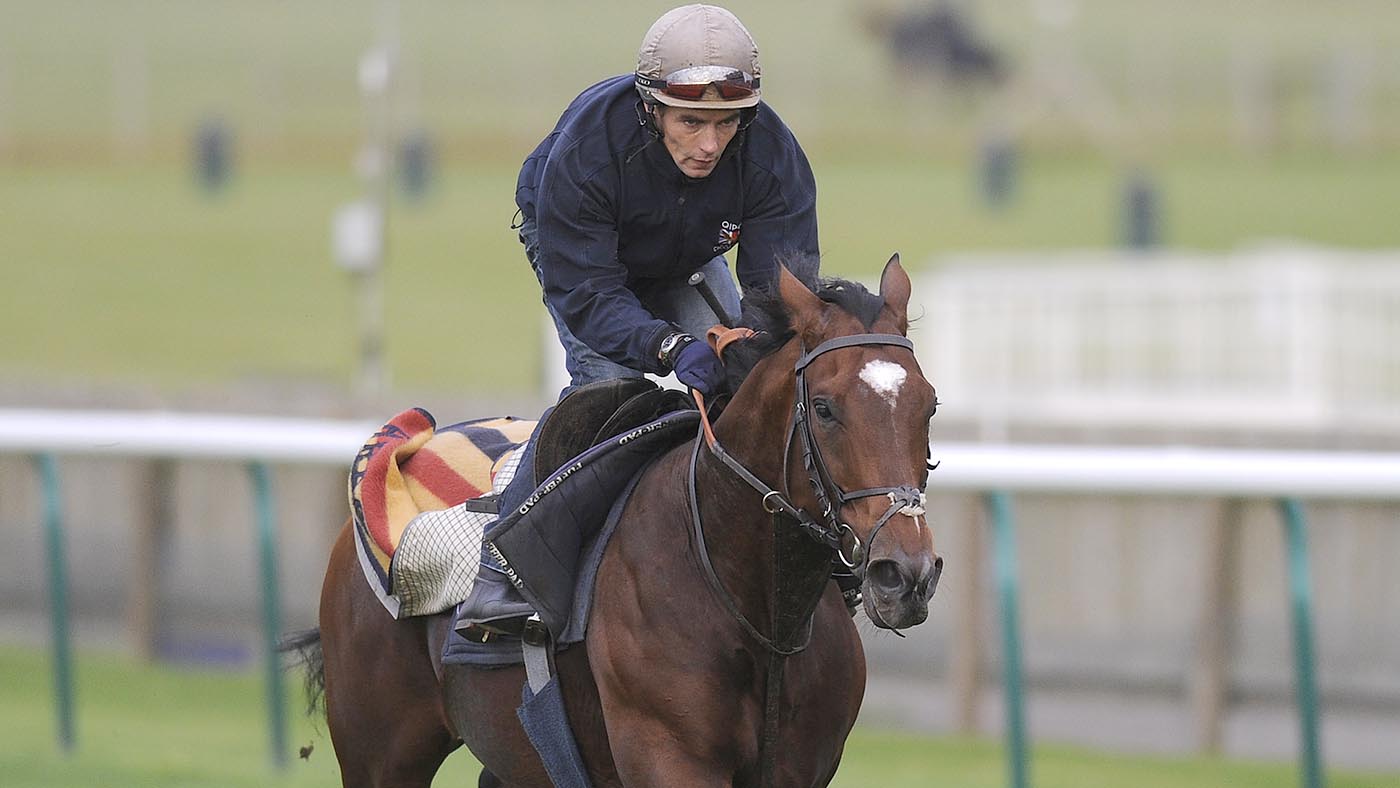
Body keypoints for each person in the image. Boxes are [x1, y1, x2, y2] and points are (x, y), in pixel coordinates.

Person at [459, 4, 821, 634]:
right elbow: (592, 293)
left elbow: (778, 292)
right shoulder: (589, 150)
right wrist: (668, 346)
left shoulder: (771, 153)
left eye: (727, 124)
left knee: (752, 381)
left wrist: (746, 346)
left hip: (687, 251)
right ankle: (503, 572)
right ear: (651, 108)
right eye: (691, 122)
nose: (710, 144)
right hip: (586, 256)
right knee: (606, 390)